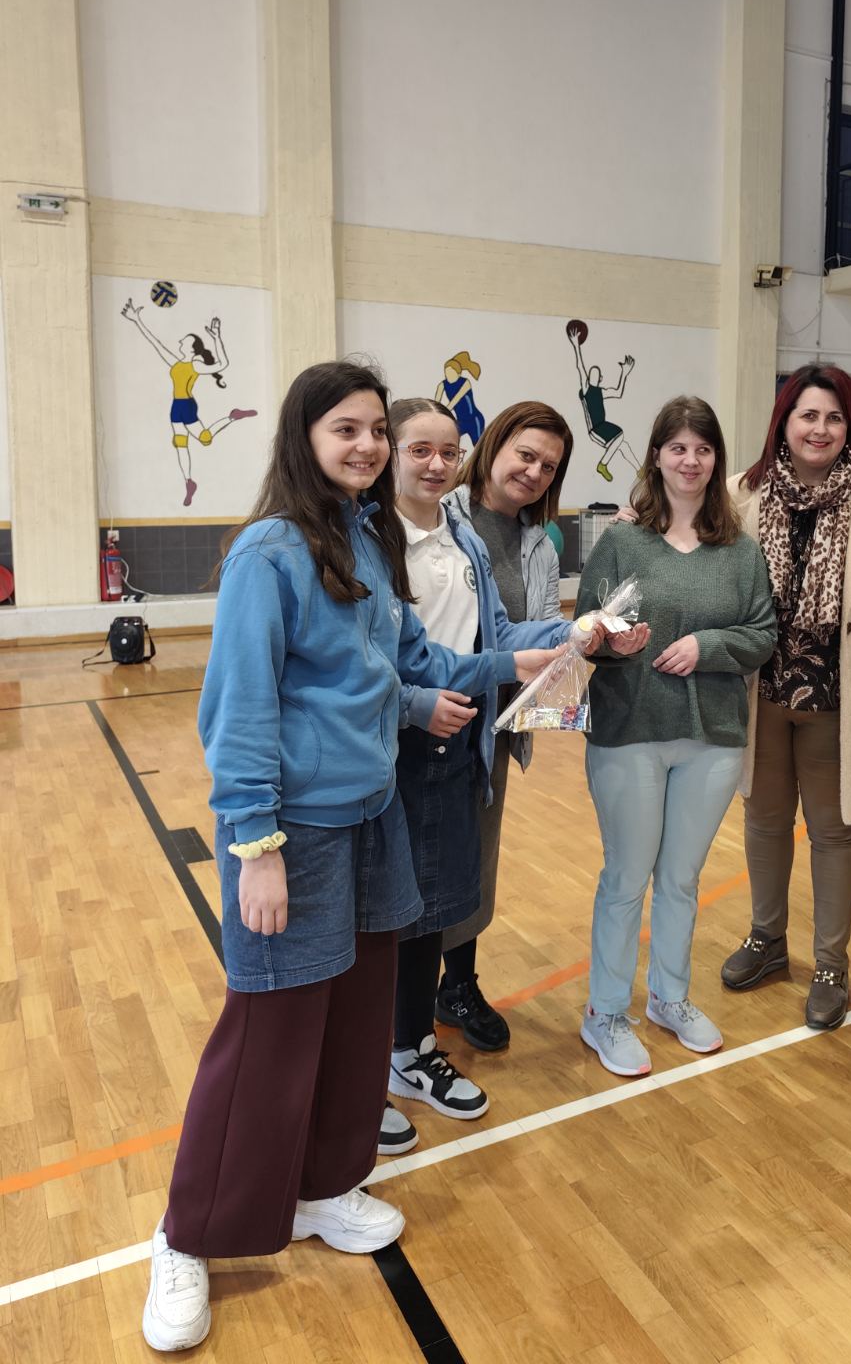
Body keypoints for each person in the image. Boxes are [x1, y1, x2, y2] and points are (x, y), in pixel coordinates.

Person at [142, 362, 557, 1353]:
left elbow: (404, 662)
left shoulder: (366, 540)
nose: (368, 445)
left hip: (376, 818)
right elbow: (239, 710)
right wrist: (256, 847)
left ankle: (327, 1186)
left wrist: (511, 663)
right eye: (348, 429)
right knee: (269, 1033)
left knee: (357, 1018)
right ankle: (186, 1234)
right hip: (295, 834)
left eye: (376, 429)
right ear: (305, 437)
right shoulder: (269, 552)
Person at [379, 397, 596, 1155]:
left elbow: (498, 634)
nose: (436, 464)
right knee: (384, 907)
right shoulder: (374, 535)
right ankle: (368, 1062)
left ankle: (415, 1042)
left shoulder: (482, 541)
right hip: (395, 740)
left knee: (443, 893)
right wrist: (424, 698)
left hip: (470, 732)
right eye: (419, 450)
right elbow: (388, 655)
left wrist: (574, 634)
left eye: (549, 465)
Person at [575, 395, 776, 1077]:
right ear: (657, 456)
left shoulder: (740, 552)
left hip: (713, 736)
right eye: (678, 448)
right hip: (630, 729)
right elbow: (585, 631)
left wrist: (707, 645)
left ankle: (669, 998)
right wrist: (611, 641)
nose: (691, 461)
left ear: (717, 460)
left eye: (703, 449)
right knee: (627, 877)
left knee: (682, 879)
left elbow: (761, 634)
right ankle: (605, 1012)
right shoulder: (621, 541)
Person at [719, 364, 851, 1032]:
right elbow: (688, 541)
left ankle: (831, 964)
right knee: (763, 819)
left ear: (849, 427)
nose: (821, 428)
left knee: (834, 831)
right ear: (785, 421)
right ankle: (766, 939)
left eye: (835, 417)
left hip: (840, 700)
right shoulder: (741, 496)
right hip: (760, 694)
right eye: (809, 415)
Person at [437, 401, 575, 1050]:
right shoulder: (441, 516)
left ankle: (457, 985)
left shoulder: (538, 543)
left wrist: (578, 652)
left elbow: (536, 631)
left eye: (549, 466)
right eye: (526, 455)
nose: (534, 472)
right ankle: (400, 999)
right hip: (429, 720)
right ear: (493, 446)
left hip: (492, 725)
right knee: (421, 862)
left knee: (475, 861)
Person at [121, 298, 257, 506]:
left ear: (192, 349)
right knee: (180, 444)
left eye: (184, 341)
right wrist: (137, 320)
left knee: (205, 438)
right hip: (175, 407)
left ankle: (233, 416)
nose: (180, 343)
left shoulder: (196, 365)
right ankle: (189, 482)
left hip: (187, 405)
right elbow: (156, 343)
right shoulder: (176, 364)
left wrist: (217, 337)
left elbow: (223, 363)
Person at [567, 323, 638, 482]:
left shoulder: (601, 392)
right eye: (591, 372)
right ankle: (602, 465)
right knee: (619, 435)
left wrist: (624, 373)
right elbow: (580, 367)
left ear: (600, 379)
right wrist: (576, 346)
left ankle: (640, 470)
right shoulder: (586, 389)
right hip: (595, 429)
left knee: (623, 444)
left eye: (596, 373)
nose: (593, 372)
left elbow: (618, 393)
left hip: (603, 425)